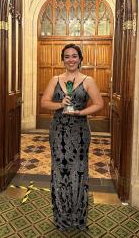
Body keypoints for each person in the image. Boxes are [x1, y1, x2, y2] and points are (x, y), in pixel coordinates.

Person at [41, 43, 103, 231]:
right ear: (63, 59)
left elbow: (99, 104)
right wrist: (60, 104)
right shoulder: (55, 79)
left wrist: (81, 112)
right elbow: (44, 103)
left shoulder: (88, 80)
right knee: (59, 171)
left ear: (80, 59)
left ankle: (78, 216)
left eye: (74, 56)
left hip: (80, 132)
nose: (70, 60)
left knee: (78, 172)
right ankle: (61, 215)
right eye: (67, 56)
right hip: (58, 131)